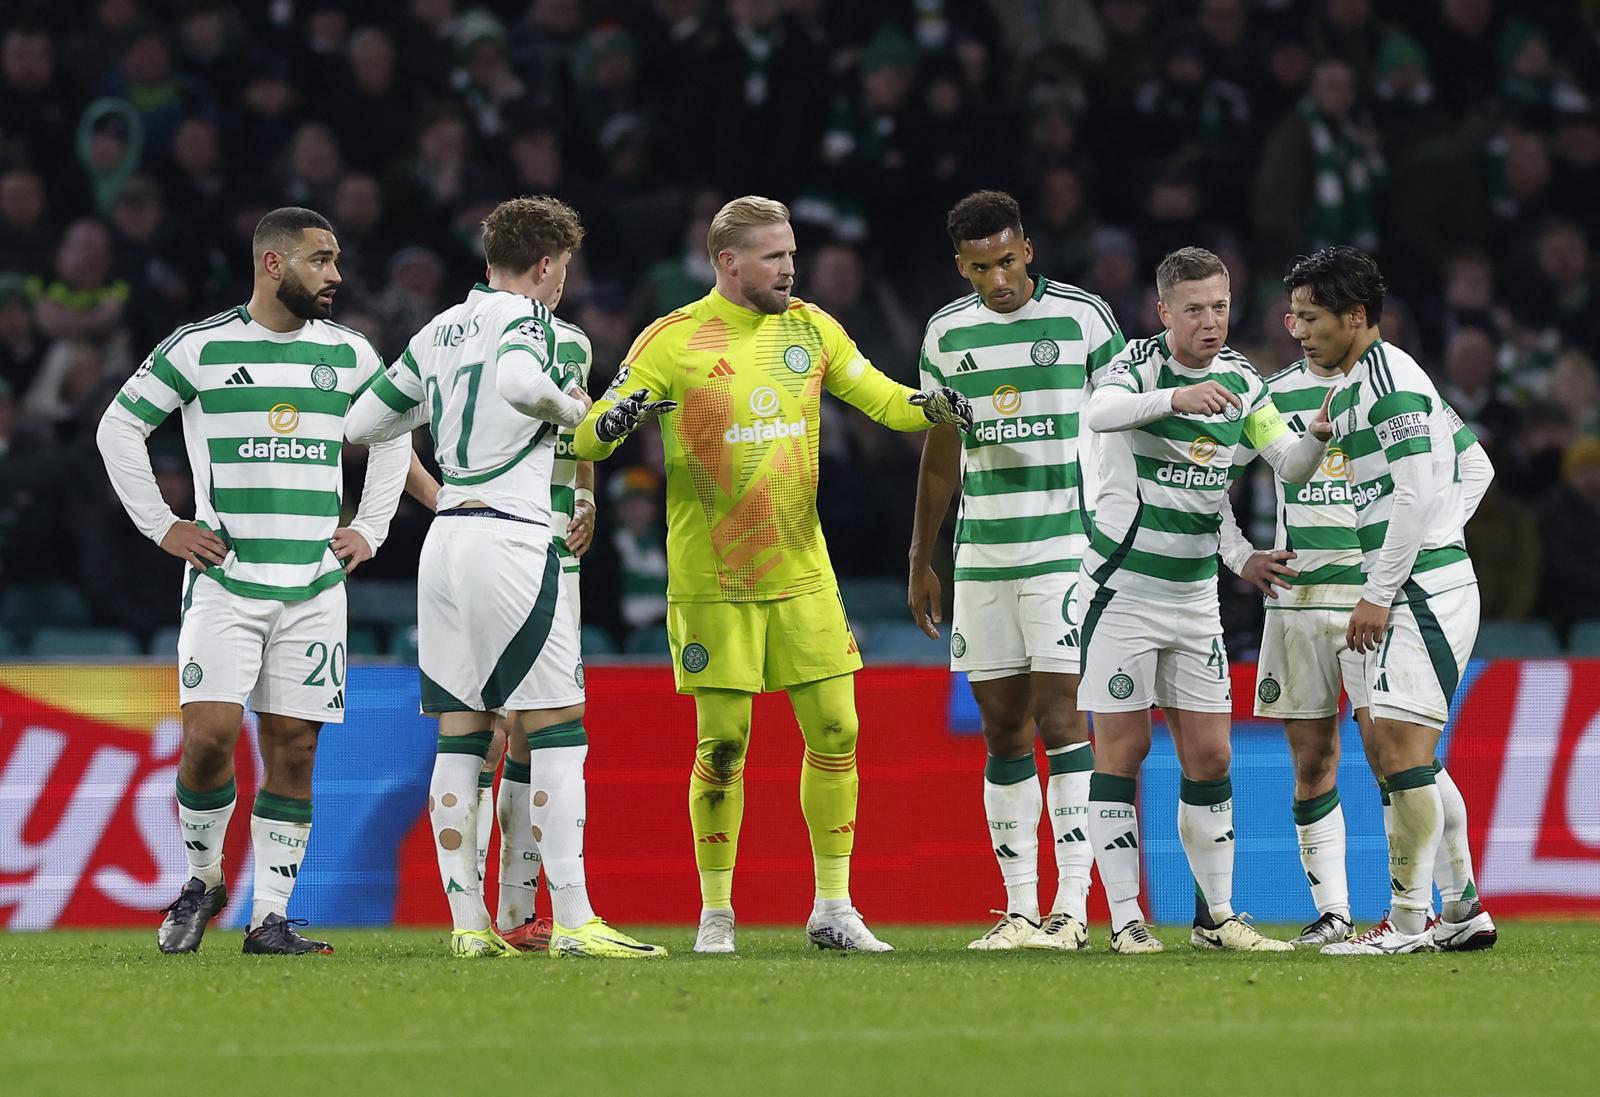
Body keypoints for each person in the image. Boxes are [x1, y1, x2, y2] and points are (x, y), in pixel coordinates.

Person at [572, 195, 972, 954]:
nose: (791, 266)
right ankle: (717, 913)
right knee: (723, 744)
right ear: (728, 262)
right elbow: (589, 434)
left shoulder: (812, 328)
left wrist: (935, 406)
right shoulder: (673, 339)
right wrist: (620, 419)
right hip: (713, 581)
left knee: (838, 728)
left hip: (804, 571)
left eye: (792, 252)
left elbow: (883, 398)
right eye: (774, 256)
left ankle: (832, 904)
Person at [346, 195, 662, 959]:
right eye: (564, 270)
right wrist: (584, 414)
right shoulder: (531, 322)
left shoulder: (437, 330)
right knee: (556, 726)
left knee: (462, 734)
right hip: (514, 537)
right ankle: (578, 919)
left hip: (447, 540)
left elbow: (361, 424)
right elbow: (525, 384)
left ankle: (466, 925)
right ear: (548, 264)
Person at [96, 206, 412, 955]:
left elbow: (396, 432)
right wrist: (163, 524)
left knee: (295, 746)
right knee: (209, 737)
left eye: (335, 260)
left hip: (313, 586)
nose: (335, 274)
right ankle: (203, 879)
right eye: (320, 259)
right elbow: (119, 425)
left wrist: (371, 527)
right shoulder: (201, 347)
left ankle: (268, 916)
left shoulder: (351, 354)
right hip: (226, 582)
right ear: (273, 264)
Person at [1077, 246, 1330, 955]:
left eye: (1218, 305)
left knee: (1212, 756)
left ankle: (1216, 918)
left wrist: (1313, 438)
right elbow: (1099, 413)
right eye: (1193, 309)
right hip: (1121, 591)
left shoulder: (1244, 382)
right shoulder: (1135, 369)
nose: (1210, 321)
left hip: (1194, 599)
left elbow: (1282, 464)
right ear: (1164, 311)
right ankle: (1126, 917)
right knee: (1121, 750)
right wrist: (1174, 399)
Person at [1220, 311, 1497, 949]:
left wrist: (1433, 538)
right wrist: (1241, 556)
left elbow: (1471, 468)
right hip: (1298, 602)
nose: (1299, 327)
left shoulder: (1391, 387)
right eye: (1293, 316)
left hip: (1374, 596)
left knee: (1396, 756)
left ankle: (1448, 903)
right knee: (1313, 759)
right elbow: (1211, 483)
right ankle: (1337, 915)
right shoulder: (1275, 393)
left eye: (1311, 315)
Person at [907, 190, 1125, 951]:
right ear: (960, 266)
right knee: (1002, 730)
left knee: (1063, 719)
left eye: (1006, 261)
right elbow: (940, 453)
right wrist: (921, 557)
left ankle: (1072, 907)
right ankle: (1021, 909)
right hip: (984, 554)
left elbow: (1123, 428)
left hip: (1066, 546)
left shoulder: (1084, 318)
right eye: (979, 267)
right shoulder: (944, 334)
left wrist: (1116, 539)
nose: (997, 279)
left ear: (1027, 250)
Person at [474, 302, 599, 955]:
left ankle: (516, 911)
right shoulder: (463, 336)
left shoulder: (572, 341)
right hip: (491, 546)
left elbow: (580, 427)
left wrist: (586, 496)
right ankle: (468, 913)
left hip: (555, 552)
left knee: (530, 724)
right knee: (488, 728)